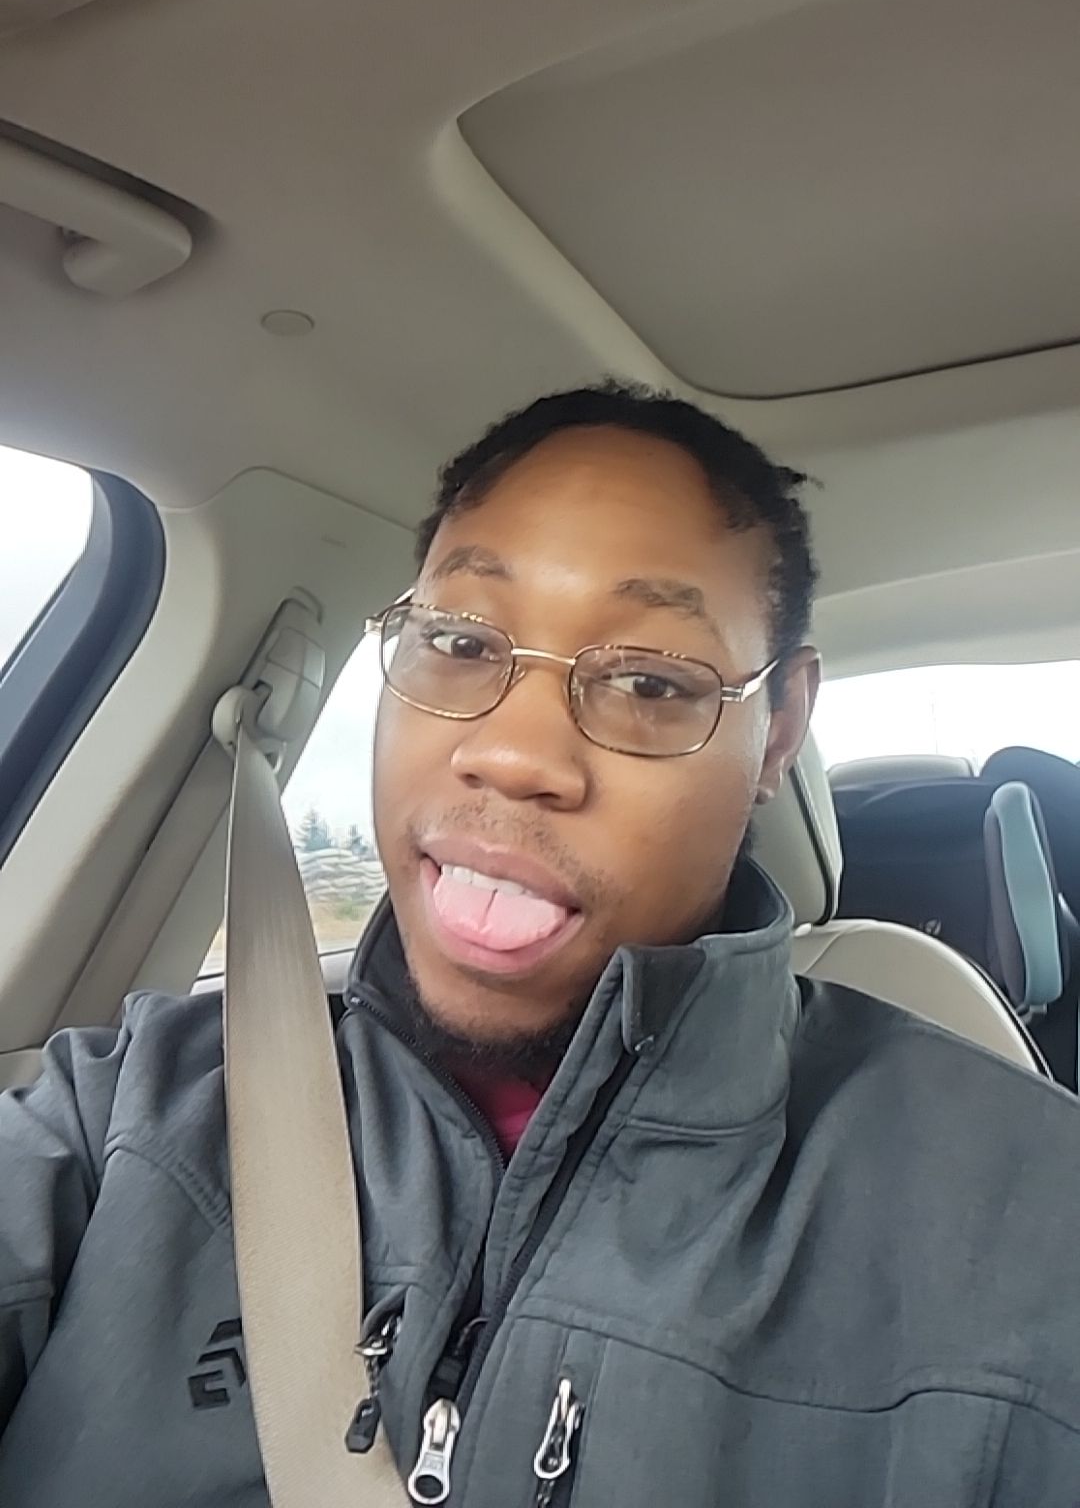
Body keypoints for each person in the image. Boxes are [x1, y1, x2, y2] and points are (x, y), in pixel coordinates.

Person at [2, 380, 1079, 1507]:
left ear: (779, 735)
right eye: (461, 641)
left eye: (650, 681)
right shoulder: (132, 1114)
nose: (514, 754)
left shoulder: (1030, 1230)